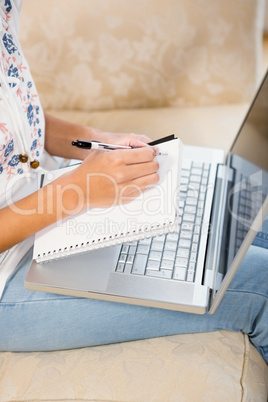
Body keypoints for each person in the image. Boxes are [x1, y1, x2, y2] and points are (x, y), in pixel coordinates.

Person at [0, 0, 267, 364]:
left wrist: (96, 142)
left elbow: (17, 108)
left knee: (246, 204)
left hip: (52, 187)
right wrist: (78, 192)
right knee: (261, 286)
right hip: (10, 269)